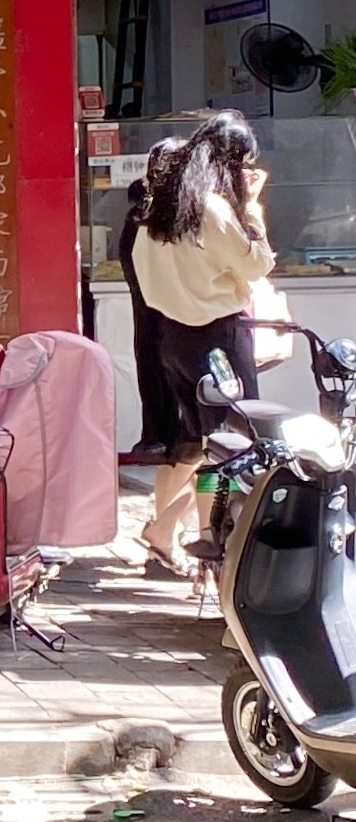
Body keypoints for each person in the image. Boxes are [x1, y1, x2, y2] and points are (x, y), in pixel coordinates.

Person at [131, 112, 276, 573]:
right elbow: (257, 264)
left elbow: (144, 272)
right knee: (233, 448)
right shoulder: (213, 209)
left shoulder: (160, 207)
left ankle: (180, 532)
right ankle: (208, 541)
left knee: (202, 446)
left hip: (174, 339)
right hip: (219, 340)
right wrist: (252, 209)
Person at [119, 140, 186, 470]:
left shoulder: (139, 215)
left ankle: (158, 438)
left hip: (149, 313)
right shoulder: (172, 214)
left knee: (153, 370)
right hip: (178, 316)